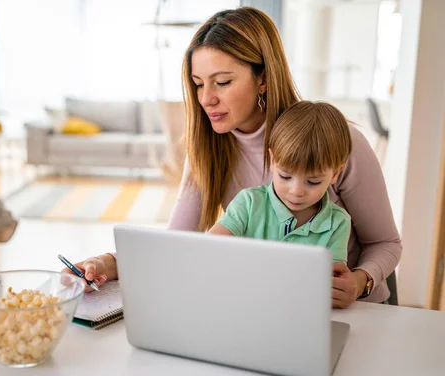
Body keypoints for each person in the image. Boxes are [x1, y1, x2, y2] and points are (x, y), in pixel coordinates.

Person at [63, 7, 402, 308]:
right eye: (198, 84)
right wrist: (107, 263)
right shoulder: (209, 150)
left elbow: (385, 243)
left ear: (264, 78)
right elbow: (176, 243)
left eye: (222, 82)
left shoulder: (338, 142)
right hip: (268, 307)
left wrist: (360, 281)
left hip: (356, 312)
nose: (206, 99)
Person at [208, 101, 352, 271]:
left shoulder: (338, 223)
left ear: (335, 174)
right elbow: (209, 249)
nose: (296, 191)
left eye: (313, 182)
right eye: (285, 176)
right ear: (273, 161)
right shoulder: (249, 203)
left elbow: (332, 281)